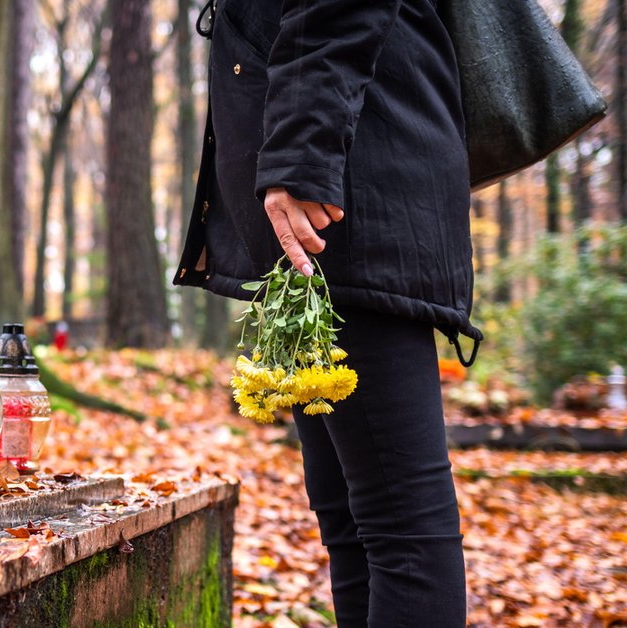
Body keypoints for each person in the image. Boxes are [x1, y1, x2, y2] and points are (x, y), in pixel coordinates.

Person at [175, 1, 482, 625]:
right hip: (330, 192)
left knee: (401, 536)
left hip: (344, 195)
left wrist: (299, 154)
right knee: (354, 525)